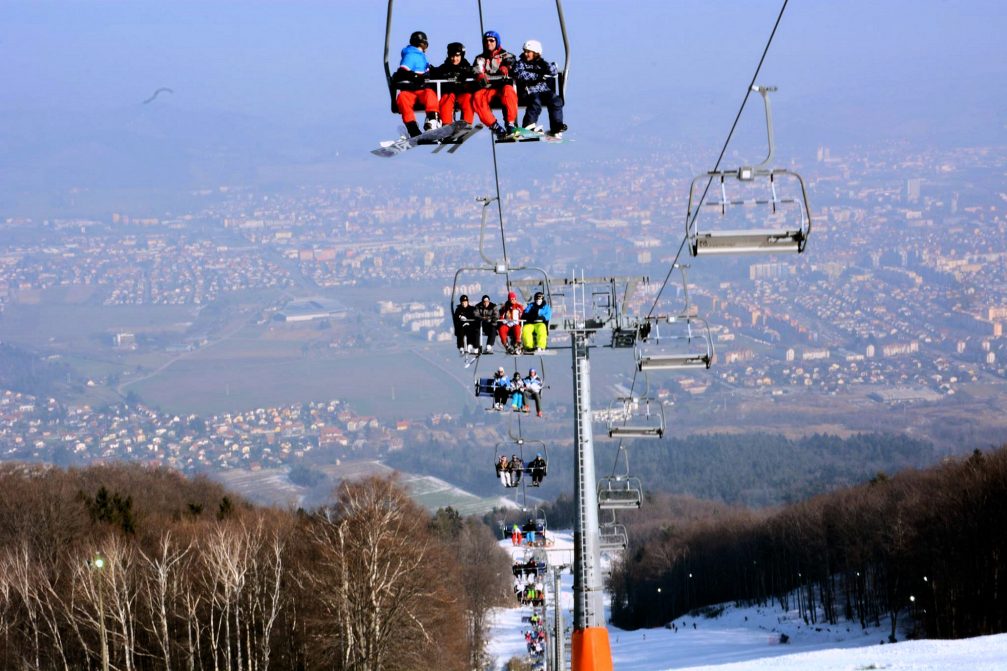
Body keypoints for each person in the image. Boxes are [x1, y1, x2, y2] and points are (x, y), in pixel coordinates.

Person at [513, 39, 567, 138]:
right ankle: (528, 126)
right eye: (525, 51)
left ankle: (556, 126)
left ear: (536, 53)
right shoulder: (520, 63)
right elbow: (519, 74)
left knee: (556, 100)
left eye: (528, 52)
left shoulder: (541, 63)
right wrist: (538, 76)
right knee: (535, 102)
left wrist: (548, 66)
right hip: (528, 91)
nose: (525, 54)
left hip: (543, 90)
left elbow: (553, 71)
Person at [392, 30, 440, 137]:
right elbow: (403, 71)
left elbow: (426, 70)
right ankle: (413, 127)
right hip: (413, 89)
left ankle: (429, 121)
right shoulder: (412, 55)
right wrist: (416, 77)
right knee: (404, 98)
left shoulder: (420, 56)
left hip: (420, 90)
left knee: (429, 94)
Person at [472, 30, 518, 139]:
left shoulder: (505, 55)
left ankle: (510, 123)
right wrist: (480, 75)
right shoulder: (481, 58)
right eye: (486, 41)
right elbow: (477, 68)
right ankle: (495, 126)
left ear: (497, 41)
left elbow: (512, 62)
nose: (489, 43)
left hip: (502, 86)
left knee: (509, 91)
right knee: (477, 97)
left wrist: (506, 67)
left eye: (492, 41)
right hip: (489, 88)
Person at [429, 42, 475, 125]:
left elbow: (474, 73)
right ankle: (446, 124)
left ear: (462, 56)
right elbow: (436, 73)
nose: (454, 59)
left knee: (468, 98)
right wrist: (431, 71)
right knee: (446, 98)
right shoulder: (444, 68)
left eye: (457, 56)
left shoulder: (466, 68)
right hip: (449, 92)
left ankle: (466, 123)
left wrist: (466, 76)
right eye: (452, 56)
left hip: (462, 93)